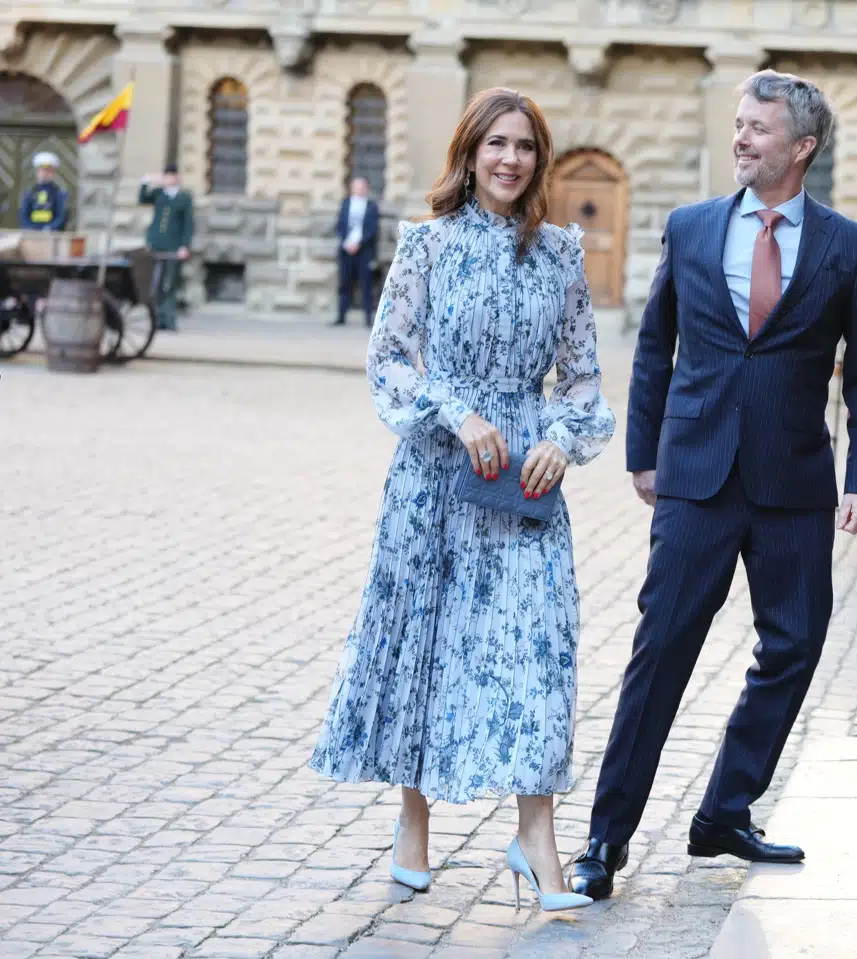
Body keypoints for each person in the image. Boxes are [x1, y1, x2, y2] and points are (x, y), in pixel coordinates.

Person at [568, 69, 857, 901]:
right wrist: (646, 454)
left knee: (794, 644)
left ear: (803, 147)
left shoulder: (848, 247)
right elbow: (653, 348)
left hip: (793, 484)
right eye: (739, 123)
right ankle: (606, 838)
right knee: (661, 651)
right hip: (697, 476)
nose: (741, 137)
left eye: (759, 128)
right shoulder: (692, 227)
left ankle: (724, 811)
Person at [308, 87, 614, 912]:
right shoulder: (428, 245)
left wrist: (559, 433)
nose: (510, 159)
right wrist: (456, 409)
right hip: (438, 474)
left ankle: (536, 837)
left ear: (538, 160)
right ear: (470, 153)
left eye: (524, 146)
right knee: (427, 639)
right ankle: (413, 821)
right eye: (496, 144)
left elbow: (580, 372)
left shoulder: (560, 252)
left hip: (525, 480)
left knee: (540, 647)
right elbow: (391, 360)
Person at [138, 164, 193, 331]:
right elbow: (142, 199)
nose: (168, 179)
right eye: (166, 176)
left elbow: (188, 224)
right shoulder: (159, 194)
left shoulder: (184, 198)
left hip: (173, 246)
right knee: (157, 283)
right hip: (157, 244)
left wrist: (184, 245)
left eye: (171, 176)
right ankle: (159, 319)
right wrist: (145, 182)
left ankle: (170, 319)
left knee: (170, 283)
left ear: (177, 178)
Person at [334, 176, 381, 327]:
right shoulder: (345, 204)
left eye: (362, 187)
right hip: (346, 250)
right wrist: (346, 243)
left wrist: (359, 243)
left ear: (366, 189)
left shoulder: (371, 206)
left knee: (366, 284)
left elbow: (373, 229)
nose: (359, 189)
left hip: (364, 251)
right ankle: (341, 315)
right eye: (356, 187)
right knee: (344, 283)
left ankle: (368, 318)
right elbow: (340, 225)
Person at [19, 152, 68, 231]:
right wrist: (30, 228)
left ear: (53, 173)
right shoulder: (29, 192)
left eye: (48, 171)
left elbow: (61, 217)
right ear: (37, 172)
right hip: (30, 234)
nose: (45, 173)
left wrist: (50, 228)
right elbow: (23, 216)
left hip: (52, 235)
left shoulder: (59, 193)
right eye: (42, 170)